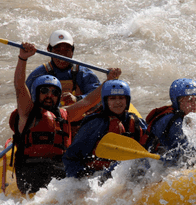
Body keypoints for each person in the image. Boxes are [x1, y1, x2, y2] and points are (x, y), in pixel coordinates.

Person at [10, 42, 121, 194]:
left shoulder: (65, 114)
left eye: (55, 92)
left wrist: (108, 82)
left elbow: (89, 101)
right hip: (31, 173)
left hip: (58, 173)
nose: (49, 95)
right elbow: (19, 85)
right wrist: (23, 59)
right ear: (36, 93)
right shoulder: (27, 112)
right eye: (44, 91)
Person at [62, 80, 152, 179]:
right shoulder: (95, 123)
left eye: (121, 98)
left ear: (127, 100)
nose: (118, 102)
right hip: (98, 177)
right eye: (112, 99)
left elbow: (150, 145)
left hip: (125, 174)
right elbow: (71, 156)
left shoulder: (135, 122)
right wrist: (80, 176)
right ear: (106, 101)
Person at [25, 30, 101, 106]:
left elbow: (99, 96)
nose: (62, 55)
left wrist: (77, 99)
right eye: (57, 50)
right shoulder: (38, 74)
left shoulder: (83, 73)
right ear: (49, 50)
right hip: (49, 116)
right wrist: (23, 58)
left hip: (79, 116)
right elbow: (24, 99)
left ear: (72, 51)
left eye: (67, 50)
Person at [146, 78, 196, 168]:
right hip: (153, 166)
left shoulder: (184, 116)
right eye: (190, 100)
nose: (195, 104)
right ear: (177, 101)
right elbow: (186, 153)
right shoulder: (175, 122)